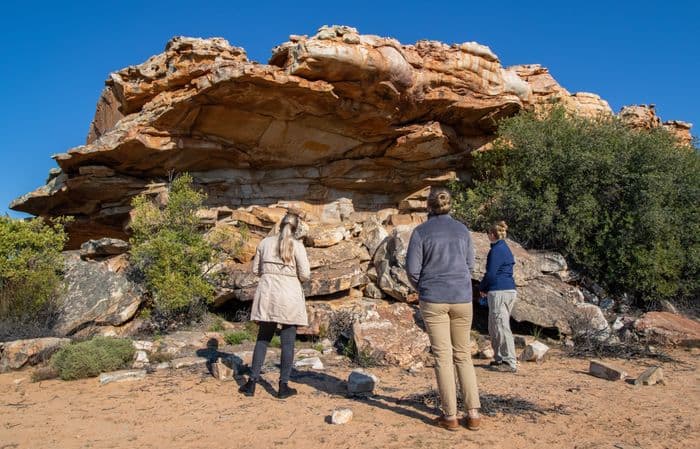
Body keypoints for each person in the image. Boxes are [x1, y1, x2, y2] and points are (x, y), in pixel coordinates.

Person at [406, 187, 481, 432]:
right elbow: (470, 264)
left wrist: (424, 286)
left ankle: (450, 415)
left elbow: (412, 270)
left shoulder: (420, 232)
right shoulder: (462, 230)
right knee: (463, 354)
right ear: (450, 205)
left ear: (429, 206)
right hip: (461, 296)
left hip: (434, 297)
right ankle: (473, 413)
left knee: (442, 356)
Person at [239, 212, 311, 399]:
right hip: (289, 294)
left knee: (263, 338)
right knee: (288, 343)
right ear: (296, 229)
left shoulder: (265, 243)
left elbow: (256, 270)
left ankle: (251, 383)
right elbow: (305, 275)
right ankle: (283, 386)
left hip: (268, 293)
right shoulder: (298, 246)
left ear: (280, 225)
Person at [479, 221, 517, 373]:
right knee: (495, 325)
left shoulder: (497, 250)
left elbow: (491, 274)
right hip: (505, 289)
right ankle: (500, 357)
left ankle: (509, 361)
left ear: (492, 234)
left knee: (501, 325)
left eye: (488, 233)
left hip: (500, 290)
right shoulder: (503, 248)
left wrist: (482, 288)